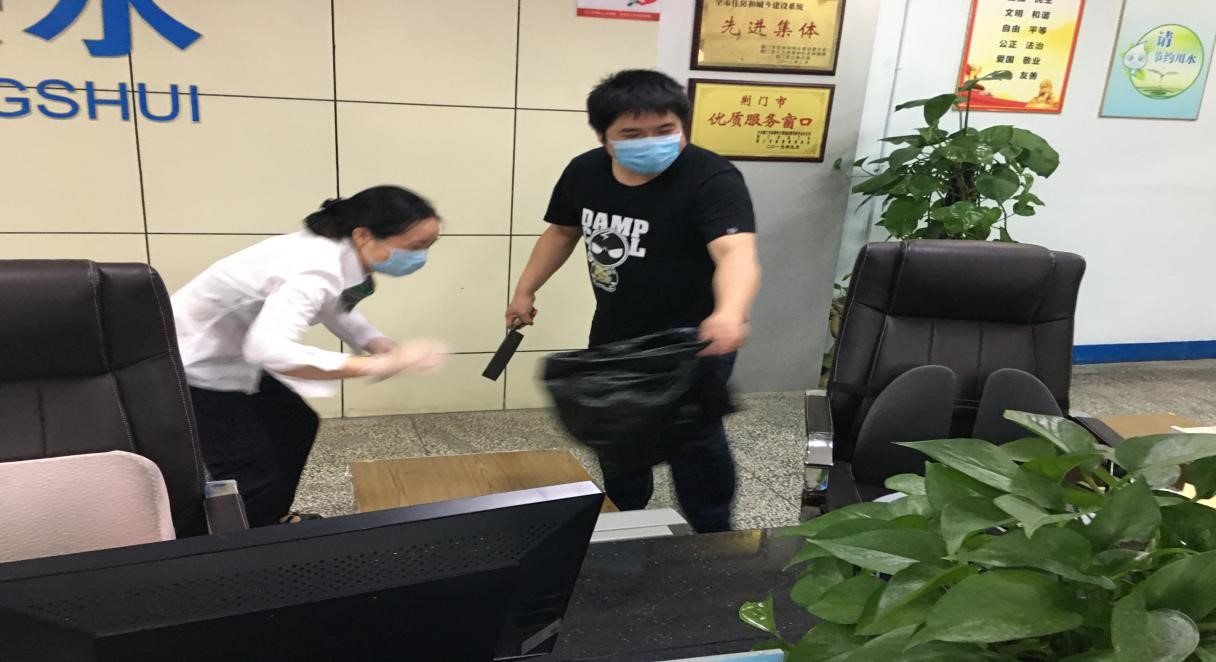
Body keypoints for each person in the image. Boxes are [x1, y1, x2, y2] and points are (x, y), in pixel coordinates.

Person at [505, 70, 761, 532]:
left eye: (665, 130)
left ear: (682, 126)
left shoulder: (711, 177)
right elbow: (562, 232)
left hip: (693, 338)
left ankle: (712, 532)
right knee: (617, 430)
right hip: (616, 331)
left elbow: (735, 252)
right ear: (603, 136)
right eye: (632, 134)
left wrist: (730, 312)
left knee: (694, 439)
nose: (651, 142)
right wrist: (526, 289)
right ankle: (625, 518)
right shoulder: (585, 171)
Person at [173, 185, 448, 527]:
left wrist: (378, 343)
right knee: (255, 471)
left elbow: (335, 306)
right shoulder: (316, 266)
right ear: (363, 235)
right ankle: (241, 544)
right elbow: (270, 348)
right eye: (415, 246)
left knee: (297, 425)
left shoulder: (339, 252)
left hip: (231, 358)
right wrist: (379, 364)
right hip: (191, 367)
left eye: (429, 245)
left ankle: (271, 519)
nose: (421, 256)